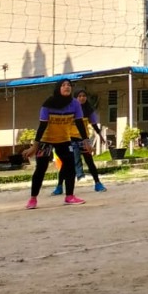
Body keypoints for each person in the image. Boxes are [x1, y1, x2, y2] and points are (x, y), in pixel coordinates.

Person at [22, 78, 89, 208]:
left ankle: (69, 196)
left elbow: (80, 123)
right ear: (58, 88)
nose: (67, 87)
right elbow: (42, 126)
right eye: (63, 85)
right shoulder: (48, 104)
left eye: (69, 85)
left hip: (64, 139)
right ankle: (33, 199)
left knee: (70, 166)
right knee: (41, 168)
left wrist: (86, 141)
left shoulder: (75, 104)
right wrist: (35, 146)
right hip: (46, 140)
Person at [72, 89, 107, 192]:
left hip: (84, 139)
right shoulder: (70, 109)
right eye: (79, 96)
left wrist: (100, 135)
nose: (82, 98)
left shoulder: (88, 109)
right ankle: (61, 185)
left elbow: (94, 123)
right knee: (72, 160)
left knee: (89, 161)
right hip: (71, 138)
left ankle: (97, 183)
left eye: (84, 96)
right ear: (75, 98)